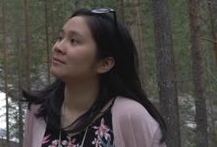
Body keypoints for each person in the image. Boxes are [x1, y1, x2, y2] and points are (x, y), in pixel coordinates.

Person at [22, 8, 167, 147]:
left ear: (105, 64)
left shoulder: (131, 117)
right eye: (60, 38)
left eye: (74, 41)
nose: (58, 47)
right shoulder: (39, 110)